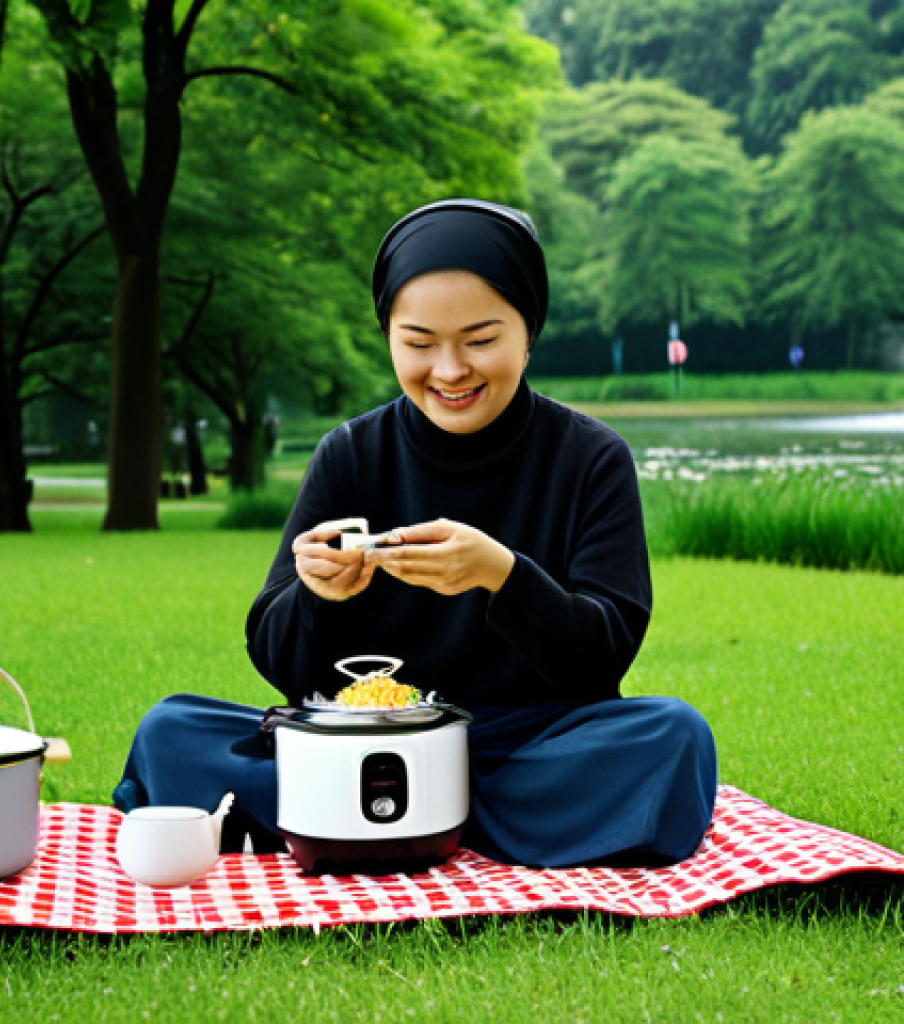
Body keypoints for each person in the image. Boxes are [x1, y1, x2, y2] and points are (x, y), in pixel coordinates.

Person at [114, 199, 718, 868]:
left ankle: (368, 818)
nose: (452, 370)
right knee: (173, 728)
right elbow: (282, 665)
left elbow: (602, 659)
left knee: (673, 737)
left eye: (482, 339)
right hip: (362, 741)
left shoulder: (591, 458)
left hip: (526, 744)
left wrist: (503, 576)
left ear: (529, 331)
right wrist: (316, 594)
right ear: (389, 336)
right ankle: (449, 818)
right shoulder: (350, 453)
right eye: (420, 343)